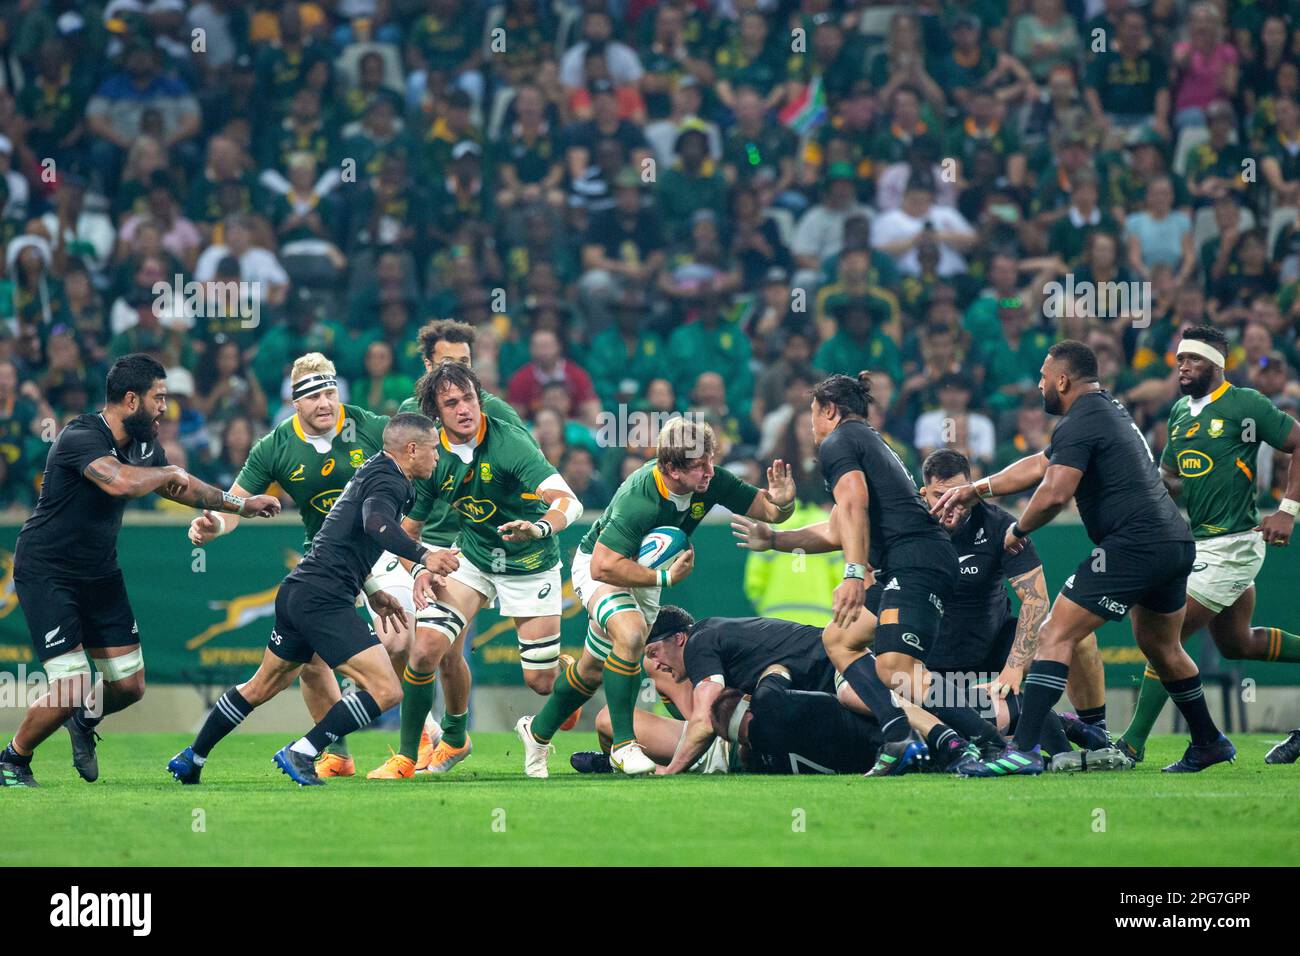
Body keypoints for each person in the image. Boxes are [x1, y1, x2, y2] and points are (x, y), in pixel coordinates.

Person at [932, 341, 1234, 776]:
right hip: (1173, 543)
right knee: (1163, 647)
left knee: (1054, 631)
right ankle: (1208, 741)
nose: (1038, 385)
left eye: (1042, 377)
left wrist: (1017, 529)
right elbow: (1039, 465)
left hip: (1133, 544)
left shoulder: (1081, 420)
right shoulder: (1104, 412)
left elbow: (1055, 492)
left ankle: (1026, 751)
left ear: (1062, 380)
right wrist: (975, 488)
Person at [0, 354, 280, 788]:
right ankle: (13, 759)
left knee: (129, 686)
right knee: (72, 684)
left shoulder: (146, 444)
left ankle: (84, 721)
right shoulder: (80, 435)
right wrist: (169, 470)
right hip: (48, 571)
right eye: (159, 398)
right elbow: (121, 483)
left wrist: (239, 504)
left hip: (99, 572)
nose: (165, 408)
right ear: (131, 400)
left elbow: (179, 485)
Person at [167, 414, 459, 786]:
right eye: (434, 448)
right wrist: (424, 556)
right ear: (412, 449)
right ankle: (302, 751)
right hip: (324, 598)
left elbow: (347, 532)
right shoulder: (390, 480)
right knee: (386, 690)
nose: (437, 456)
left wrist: (372, 590)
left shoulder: (376, 471)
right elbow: (375, 525)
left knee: (261, 686)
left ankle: (193, 757)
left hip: (299, 590)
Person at [732, 374, 998, 776]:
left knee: (896, 670)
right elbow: (837, 529)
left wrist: (854, 575)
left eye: (813, 414)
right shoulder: (865, 443)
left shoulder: (839, 442)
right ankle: (898, 733)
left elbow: (853, 506)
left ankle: (987, 742)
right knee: (839, 639)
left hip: (916, 561)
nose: (810, 425)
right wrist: (775, 539)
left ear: (830, 410)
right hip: (910, 563)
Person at [514, 417, 798, 777]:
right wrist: (664, 576)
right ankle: (623, 745)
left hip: (643, 575)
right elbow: (604, 565)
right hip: (600, 565)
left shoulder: (710, 480)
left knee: (591, 671)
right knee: (631, 634)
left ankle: (535, 733)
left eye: (711, 460)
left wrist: (784, 504)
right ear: (670, 469)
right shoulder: (641, 498)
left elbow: (769, 510)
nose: (710, 471)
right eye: (699, 466)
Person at [186, 353, 405, 779]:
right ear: (294, 402)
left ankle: (424, 742)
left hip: (382, 553)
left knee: (403, 645)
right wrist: (215, 525)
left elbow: (417, 458)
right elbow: (236, 503)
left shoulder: (371, 427)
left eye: (330, 392)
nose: (325, 403)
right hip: (326, 565)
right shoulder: (274, 447)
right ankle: (332, 754)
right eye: (314, 395)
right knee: (310, 667)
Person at [366, 361, 583, 781]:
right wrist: (419, 569)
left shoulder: (509, 442)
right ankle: (409, 758)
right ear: (435, 412)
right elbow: (407, 531)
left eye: (469, 398)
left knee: (540, 682)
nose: (464, 408)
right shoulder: (432, 455)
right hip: (475, 558)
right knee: (425, 648)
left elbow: (568, 501)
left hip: (531, 562)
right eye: (452, 403)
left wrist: (538, 526)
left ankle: (563, 673)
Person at [1115, 326, 1300, 765]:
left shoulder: (1245, 404)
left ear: (1216, 365)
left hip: (1235, 543)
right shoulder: (1179, 411)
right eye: (1179, 360)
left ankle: (1132, 743)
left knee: (1166, 635)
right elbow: (1172, 479)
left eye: (1192, 360)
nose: (1182, 367)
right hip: (1200, 545)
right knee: (1238, 642)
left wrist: (1287, 509)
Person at [917, 449, 1124, 770]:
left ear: (971, 489)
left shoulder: (1000, 525)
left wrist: (1014, 667)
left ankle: (1098, 730)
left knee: (1076, 633)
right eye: (940, 496)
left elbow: (1036, 598)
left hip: (995, 648)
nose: (950, 506)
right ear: (923, 494)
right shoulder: (908, 530)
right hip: (934, 668)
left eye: (959, 496)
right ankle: (1065, 726)